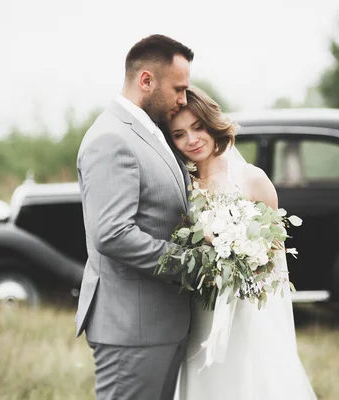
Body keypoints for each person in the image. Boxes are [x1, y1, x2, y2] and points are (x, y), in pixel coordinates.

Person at [166, 87, 318, 399]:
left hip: (246, 311)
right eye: (180, 134)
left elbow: (276, 255)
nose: (192, 140)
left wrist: (242, 263)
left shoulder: (251, 178)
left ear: (212, 124)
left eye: (198, 128)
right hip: (201, 310)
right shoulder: (181, 186)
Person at [74, 35, 194, 400]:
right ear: (146, 81)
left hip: (161, 325)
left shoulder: (149, 132)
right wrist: (191, 265)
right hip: (132, 330)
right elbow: (112, 233)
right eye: (179, 89)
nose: (183, 100)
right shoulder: (110, 138)